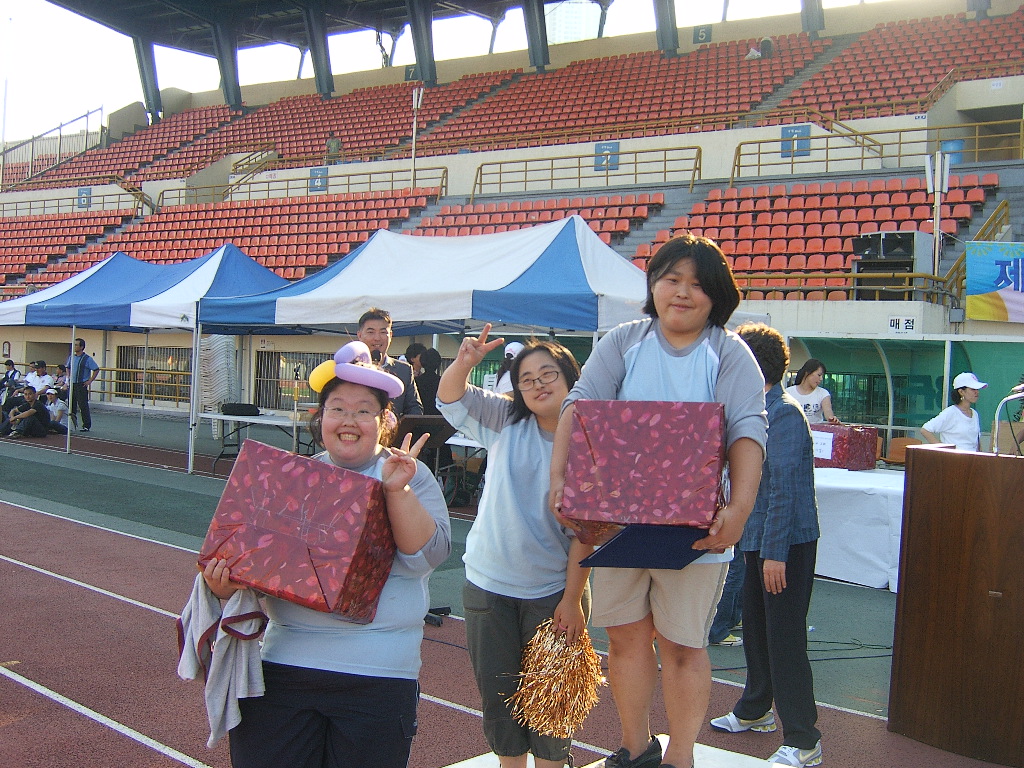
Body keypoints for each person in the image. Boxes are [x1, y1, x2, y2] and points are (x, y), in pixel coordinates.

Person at [550, 234, 768, 768]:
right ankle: (634, 744)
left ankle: (682, 757)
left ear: (717, 296)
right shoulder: (624, 341)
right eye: (671, 279)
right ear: (653, 285)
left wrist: (737, 510)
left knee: (683, 647)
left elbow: (748, 432)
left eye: (697, 284)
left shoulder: (730, 353)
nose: (682, 292)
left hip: (697, 531)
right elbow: (578, 409)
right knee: (624, 640)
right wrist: (561, 480)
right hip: (619, 525)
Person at [202, 339, 451, 768]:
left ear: (384, 420)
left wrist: (398, 490)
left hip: (378, 675)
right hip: (283, 669)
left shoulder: (410, 473)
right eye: (337, 408)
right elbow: (259, 562)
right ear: (321, 418)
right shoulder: (292, 477)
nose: (348, 420)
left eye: (362, 410)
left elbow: (426, 555)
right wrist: (223, 582)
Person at [438, 328, 593, 768]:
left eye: (548, 374)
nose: (538, 384)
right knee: (500, 699)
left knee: (552, 705)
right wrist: (465, 361)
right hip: (489, 585)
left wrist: (572, 599)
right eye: (526, 378)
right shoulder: (505, 419)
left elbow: (587, 531)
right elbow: (450, 399)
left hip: (554, 593)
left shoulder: (590, 440)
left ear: (569, 378)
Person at [710, 322, 822, 768]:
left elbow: (785, 492)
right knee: (756, 628)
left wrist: (774, 554)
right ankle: (755, 709)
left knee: (785, 637)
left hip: (785, 544)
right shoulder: (754, 412)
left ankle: (804, 737)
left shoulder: (786, 415)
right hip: (756, 539)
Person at [356, 308, 423, 418]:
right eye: (371, 332)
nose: (377, 338)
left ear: (390, 335)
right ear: (359, 335)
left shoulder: (404, 370)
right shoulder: (349, 368)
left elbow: (415, 409)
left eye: (383, 332)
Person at [920, 372, 988, 451]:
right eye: (973, 389)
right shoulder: (951, 412)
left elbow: (977, 442)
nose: (977, 392)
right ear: (961, 392)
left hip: (972, 460)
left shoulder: (974, 414)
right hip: (954, 461)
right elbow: (925, 430)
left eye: (977, 389)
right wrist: (943, 450)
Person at [785, 360, 839, 425]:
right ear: (807, 373)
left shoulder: (823, 393)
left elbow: (828, 410)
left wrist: (832, 419)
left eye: (822, 376)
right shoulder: (788, 393)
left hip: (816, 433)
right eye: (819, 375)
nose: (821, 379)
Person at [67, 338, 100, 433]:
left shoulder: (87, 359)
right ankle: (72, 424)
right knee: (71, 405)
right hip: (72, 384)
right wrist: (68, 377)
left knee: (83, 405)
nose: (75, 346)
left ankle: (86, 425)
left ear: (81, 347)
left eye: (77, 345)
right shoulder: (71, 357)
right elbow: (67, 367)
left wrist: (90, 381)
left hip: (81, 384)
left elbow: (96, 369)